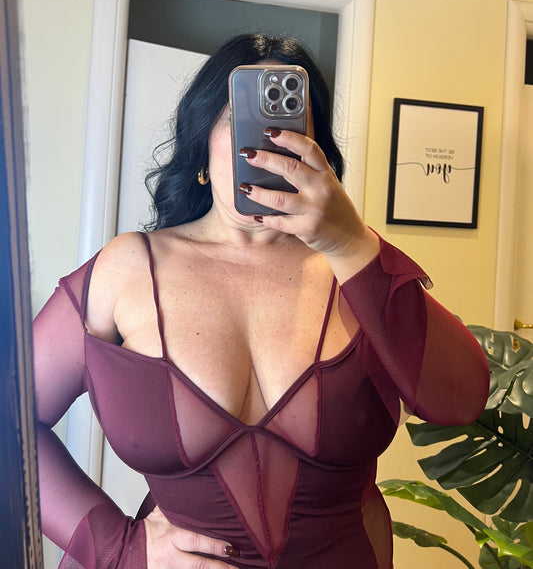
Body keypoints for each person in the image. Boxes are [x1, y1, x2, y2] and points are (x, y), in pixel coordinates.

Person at [34, 33, 489, 569]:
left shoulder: (357, 270)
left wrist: (350, 244)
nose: (269, 140)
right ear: (203, 142)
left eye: (290, 122)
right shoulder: (128, 270)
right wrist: (118, 547)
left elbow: (461, 400)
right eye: (243, 118)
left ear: (318, 149)